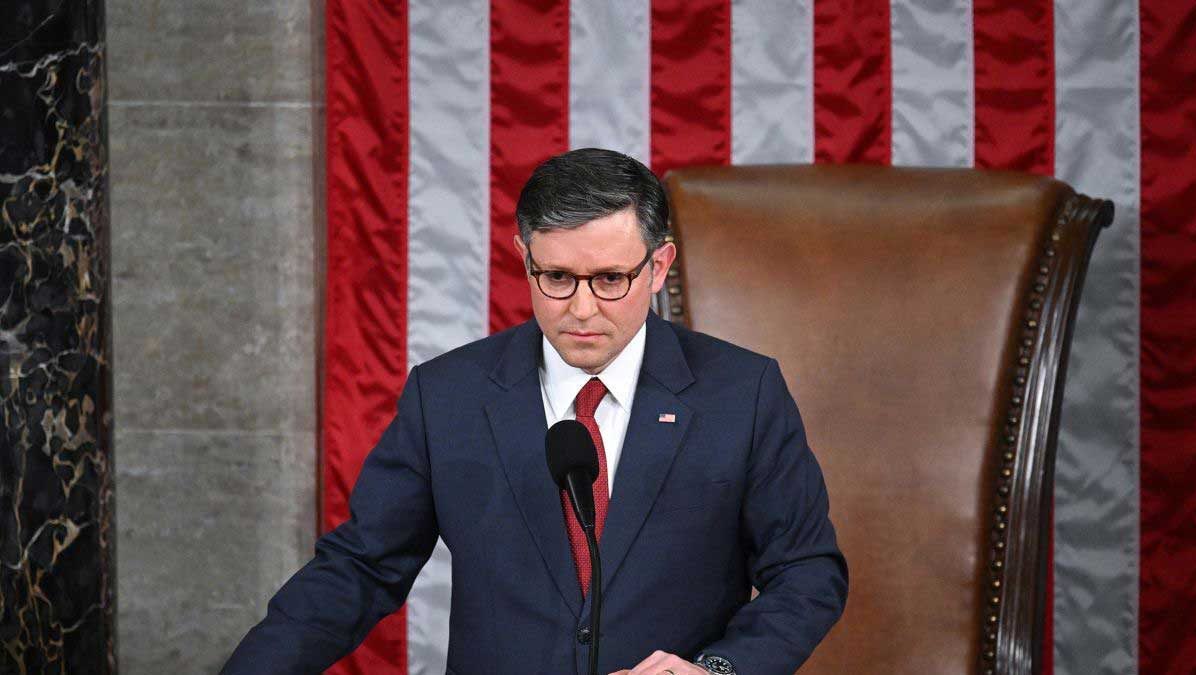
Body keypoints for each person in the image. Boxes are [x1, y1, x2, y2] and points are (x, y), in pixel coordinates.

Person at [222, 148, 848, 675]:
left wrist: (717, 670)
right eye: (557, 278)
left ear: (659, 267)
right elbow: (360, 569)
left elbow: (806, 571)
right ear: (523, 256)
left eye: (610, 279)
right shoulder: (449, 396)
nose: (581, 309)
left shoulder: (741, 393)